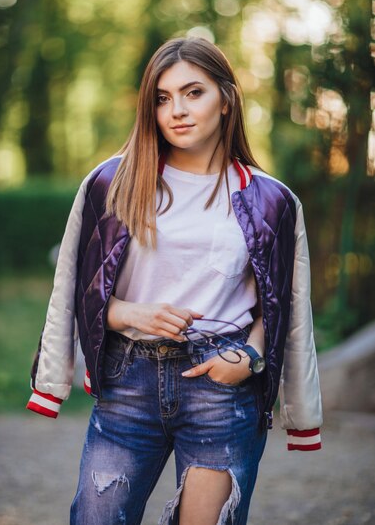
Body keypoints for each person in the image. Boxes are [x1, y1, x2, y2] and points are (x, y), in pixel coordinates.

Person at [27, 37, 323, 525]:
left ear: (226, 100)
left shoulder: (273, 200)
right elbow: (76, 287)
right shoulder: (111, 181)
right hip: (128, 383)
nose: (177, 111)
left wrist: (248, 356)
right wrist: (128, 312)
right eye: (162, 98)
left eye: (193, 93)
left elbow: (284, 302)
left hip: (221, 388)